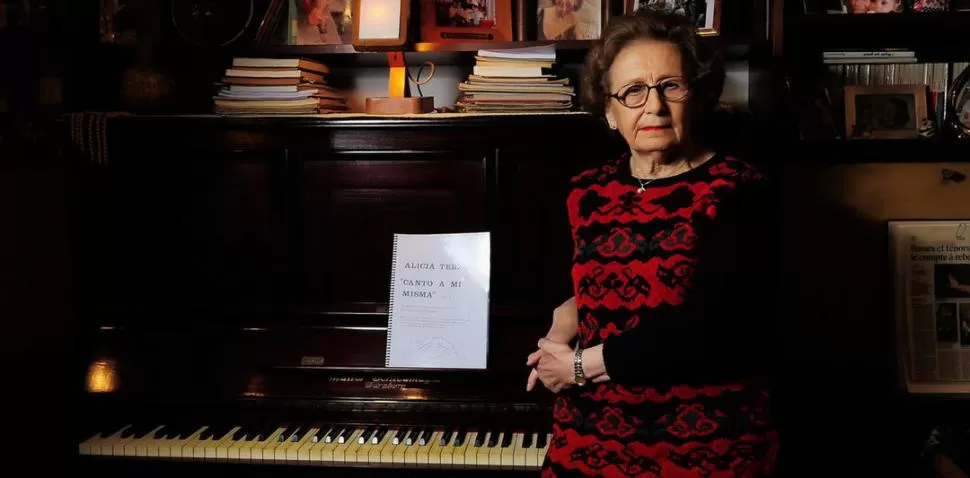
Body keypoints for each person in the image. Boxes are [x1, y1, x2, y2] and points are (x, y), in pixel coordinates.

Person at [525, 8, 780, 477]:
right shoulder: (587, 191)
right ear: (609, 110)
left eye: (671, 86)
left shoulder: (740, 190)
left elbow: (713, 331)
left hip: (707, 450)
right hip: (591, 439)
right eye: (633, 91)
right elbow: (599, 283)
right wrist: (566, 319)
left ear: (697, 96)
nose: (654, 107)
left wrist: (579, 366)